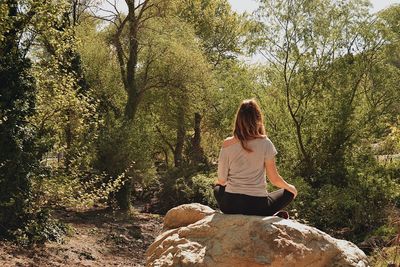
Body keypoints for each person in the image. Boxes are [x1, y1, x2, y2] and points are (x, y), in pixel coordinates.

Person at [213, 99, 297, 218]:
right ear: (258, 119)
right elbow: (274, 179)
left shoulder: (227, 143)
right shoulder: (266, 143)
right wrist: (291, 188)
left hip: (230, 206)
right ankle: (272, 214)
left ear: (238, 119)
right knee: (289, 192)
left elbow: (222, 180)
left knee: (217, 187)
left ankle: (270, 213)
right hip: (258, 207)